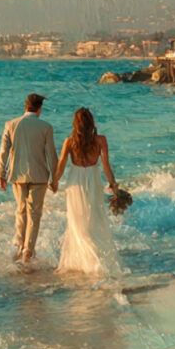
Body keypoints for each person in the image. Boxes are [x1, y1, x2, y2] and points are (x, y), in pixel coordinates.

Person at [51, 107, 121, 277]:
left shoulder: (69, 141)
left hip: (75, 181)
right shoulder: (100, 140)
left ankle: (85, 261)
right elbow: (106, 166)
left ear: (75, 124)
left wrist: (54, 181)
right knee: (94, 218)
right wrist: (113, 184)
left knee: (77, 222)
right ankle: (95, 260)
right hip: (93, 178)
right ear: (92, 122)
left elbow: (61, 164)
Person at [0, 92, 58, 263]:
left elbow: (3, 152)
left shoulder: (11, 124)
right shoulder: (46, 127)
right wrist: (55, 178)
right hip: (39, 175)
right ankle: (28, 251)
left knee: (21, 210)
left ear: (25, 107)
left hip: (17, 175)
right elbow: (52, 155)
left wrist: (0, 175)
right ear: (39, 109)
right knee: (34, 214)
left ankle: (19, 246)